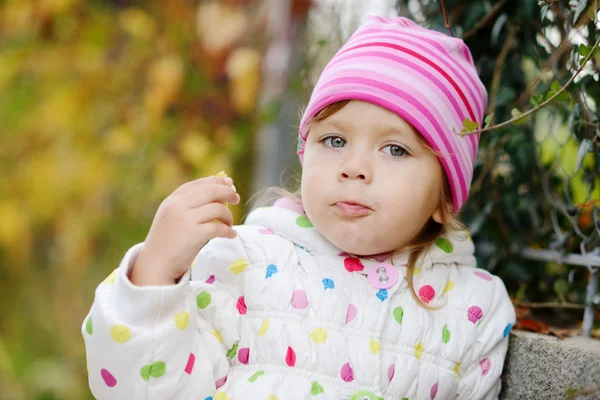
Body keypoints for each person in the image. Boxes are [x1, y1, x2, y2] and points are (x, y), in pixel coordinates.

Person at [82, 15, 516, 400]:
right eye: (335, 140)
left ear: (444, 197)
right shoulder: (243, 264)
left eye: (395, 149)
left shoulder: (471, 311)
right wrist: (154, 273)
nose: (354, 167)